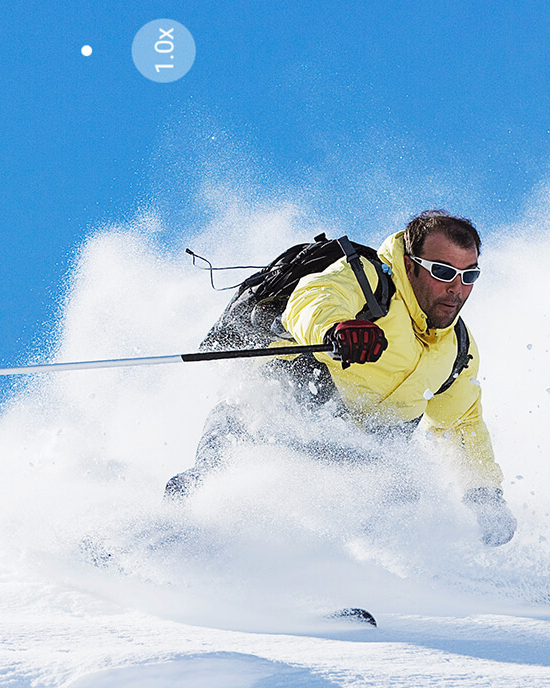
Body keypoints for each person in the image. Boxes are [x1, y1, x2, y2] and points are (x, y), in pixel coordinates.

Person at [167, 210, 517, 547]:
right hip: (273, 419)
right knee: (257, 426)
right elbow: (314, 296)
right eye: (442, 271)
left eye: (469, 276)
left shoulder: (457, 348)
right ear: (410, 265)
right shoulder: (368, 278)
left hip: (350, 454)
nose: (456, 288)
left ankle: (378, 573)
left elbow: (462, 423)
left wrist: (484, 494)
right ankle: (184, 520)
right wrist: (335, 328)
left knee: (407, 488)